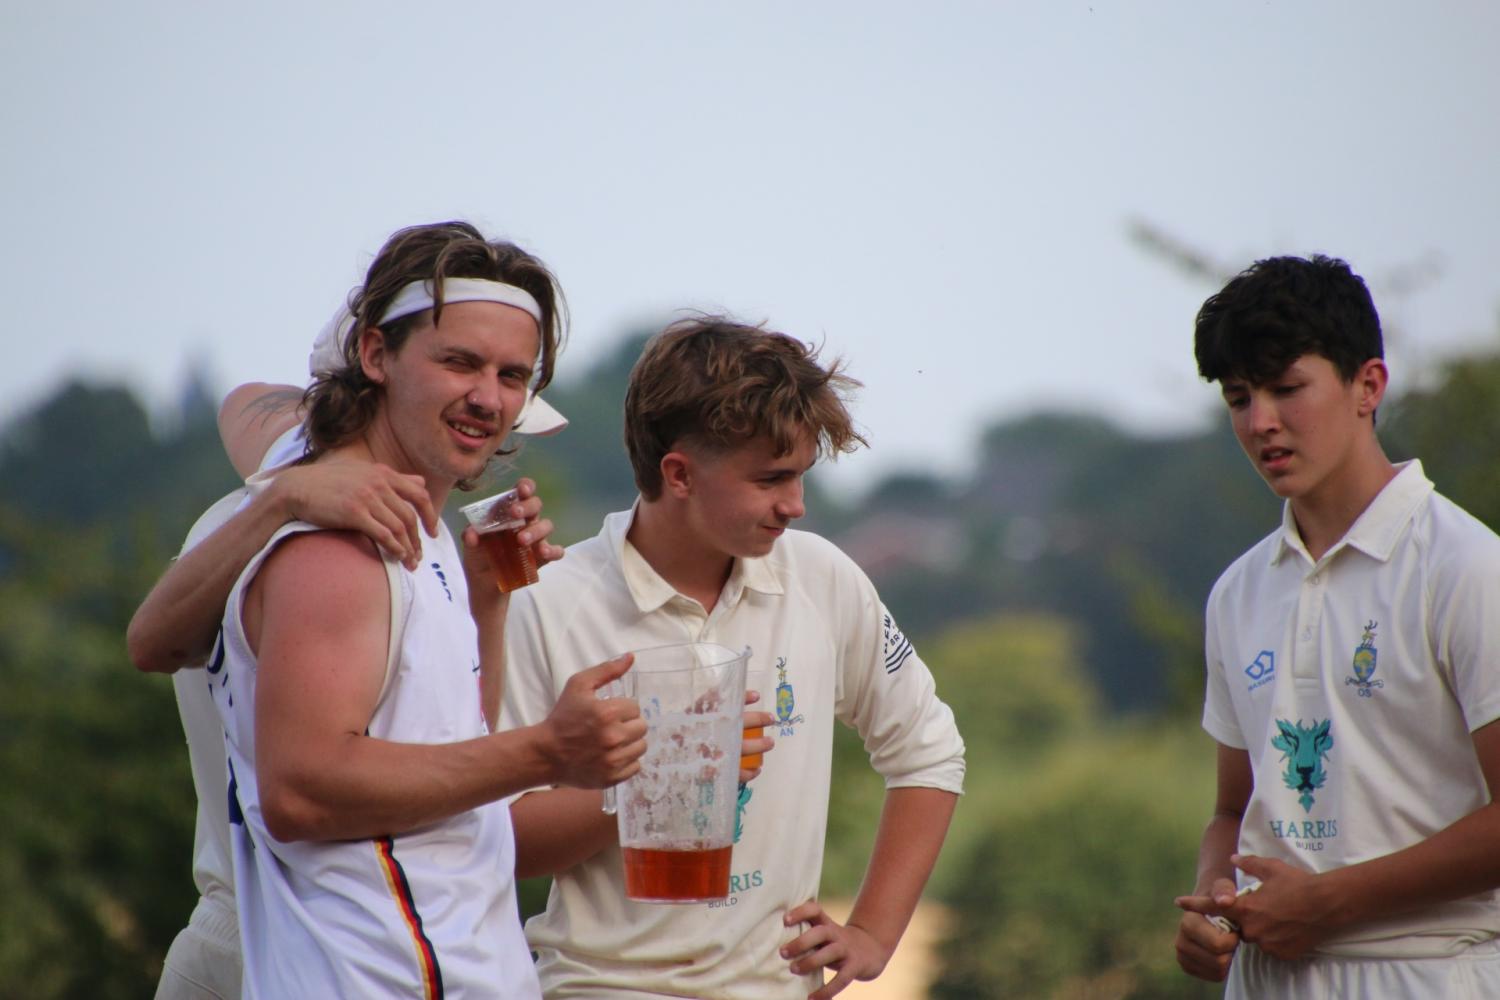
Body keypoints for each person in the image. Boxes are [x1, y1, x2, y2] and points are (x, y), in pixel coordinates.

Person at [148, 220, 647, 998]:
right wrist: (550, 752)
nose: (488, 398)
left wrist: (486, 599)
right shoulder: (340, 544)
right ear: (375, 355)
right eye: (459, 362)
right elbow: (302, 790)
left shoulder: (412, 519)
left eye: (513, 376)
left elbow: (445, 750)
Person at [502, 317, 966, 999]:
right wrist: (661, 775)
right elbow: (501, 840)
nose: (795, 505)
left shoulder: (822, 578)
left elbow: (928, 751)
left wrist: (873, 931)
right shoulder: (544, 603)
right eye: (771, 479)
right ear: (679, 474)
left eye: (801, 476)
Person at [1172, 255, 1500, 996]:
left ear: (1368, 385)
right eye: (1239, 398)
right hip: (1267, 977)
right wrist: (1214, 903)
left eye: (1287, 389)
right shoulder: (1238, 592)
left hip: (1429, 973)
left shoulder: (1465, 567)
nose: (1261, 422)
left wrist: (1329, 903)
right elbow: (1232, 809)